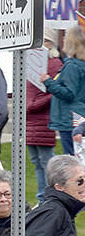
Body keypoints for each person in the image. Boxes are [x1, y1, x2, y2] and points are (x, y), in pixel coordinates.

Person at [28, 34, 63, 198]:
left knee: (47, 162)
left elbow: (56, 90)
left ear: (50, 44)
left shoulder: (55, 64)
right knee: (36, 161)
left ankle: (51, 196)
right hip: (30, 118)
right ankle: (42, 197)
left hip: (44, 118)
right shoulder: (31, 63)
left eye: (42, 41)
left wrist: (35, 103)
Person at [43, 24, 85, 155]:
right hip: (78, 116)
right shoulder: (80, 64)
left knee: (73, 160)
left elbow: (69, 93)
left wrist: (48, 82)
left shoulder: (71, 65)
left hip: (70, 118)